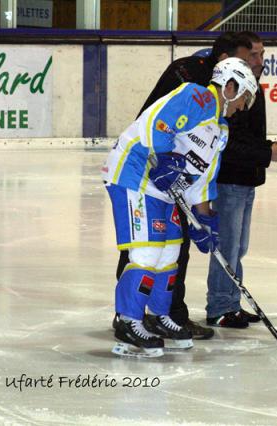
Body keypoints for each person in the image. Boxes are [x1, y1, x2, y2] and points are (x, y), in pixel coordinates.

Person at [104, 57, 258, 357]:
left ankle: (161, 316)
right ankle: (128, 320)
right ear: (230, 86)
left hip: (163, 188)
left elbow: (202, 180)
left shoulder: (220, 131)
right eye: (244, 98)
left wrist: (205, 221)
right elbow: (155, 123)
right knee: (147, 251)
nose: (243, 106)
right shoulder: (195, 96)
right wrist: (162, 157)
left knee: (171, 251)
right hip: (134, 172)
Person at [205, 31, 277, 328]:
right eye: (253, 55)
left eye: (262, 54)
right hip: (229, 181)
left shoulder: (254, 89)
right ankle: (220, 306)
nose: (260, 61)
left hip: (246, 180)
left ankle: (231, 302)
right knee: (227, 247)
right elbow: (227, 142)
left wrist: (267, 148)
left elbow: (246, 138)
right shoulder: (230, 92)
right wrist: (267, 153)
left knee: (238, 248)